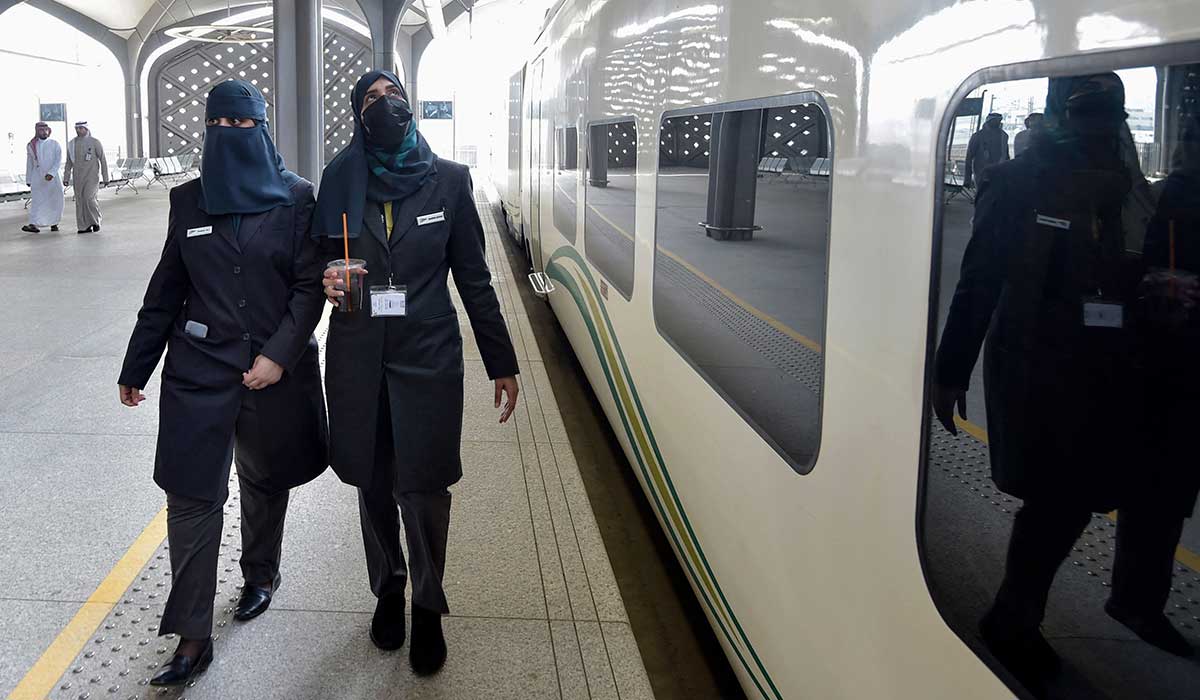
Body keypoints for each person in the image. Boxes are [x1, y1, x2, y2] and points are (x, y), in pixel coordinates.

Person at [930, 72, 1192, 695]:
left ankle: (1029, 614)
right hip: (1038, 368)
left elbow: (1124, 269)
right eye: (1090, 112)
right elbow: (980, 280)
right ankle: (1010, 621)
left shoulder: (1130, 190)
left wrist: (1156, 286)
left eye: (1112, 114)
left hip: (1109, 365)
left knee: (1078, 495)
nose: (1106, 126)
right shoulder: (1019, 183)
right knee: (1057, 496)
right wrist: (949, 370)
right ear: (1060, 116)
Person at [117, 80, 328, 687]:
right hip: (198, 371)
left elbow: (309, 286)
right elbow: (166, 289)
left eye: (244, 126)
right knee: (190, 497)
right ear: (207, 131)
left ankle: (261, 574)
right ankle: (192, 635)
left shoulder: (296, 198)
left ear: (262, 129)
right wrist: (137, 366)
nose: (232, 137)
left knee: (264, 479)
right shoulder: (189, 201)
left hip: (270, 373)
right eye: (220, 126)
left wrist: (279, 358)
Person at [313, 69, 520, 676]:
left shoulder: (449, 182)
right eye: (371, 99)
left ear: (409, 104)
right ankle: (389, 589)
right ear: (356, 114)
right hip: (356, 354)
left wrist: (500, 360)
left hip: (427, 355)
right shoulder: (338, 178)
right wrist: (328, 277)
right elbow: (314, 261)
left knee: (424, 486)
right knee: (371, 478)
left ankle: (428, 604)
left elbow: (475, 278)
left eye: (393, 95)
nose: (385, 105)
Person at [63, 121, 109, 234]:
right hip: (78, 177)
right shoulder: (71, 144)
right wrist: (66, 177)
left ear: (86, 128)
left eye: (81, 128)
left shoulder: (95, 142)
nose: (78, 130)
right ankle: (83, 226)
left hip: (92, 176)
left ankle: (95, 221)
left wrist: (106, 177)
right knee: (80, 201)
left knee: (89, 199)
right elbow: (68, 162)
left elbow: (103, 160)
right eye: (76, 128)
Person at [21, 122, 62, 233]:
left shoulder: (54, 144)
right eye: (41, 130)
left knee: (54, 201)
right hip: (37, 178)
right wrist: (29, 179)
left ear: (49, 131)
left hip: (53, 179)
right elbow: (30, 162)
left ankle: (54, 223)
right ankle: (33, 224)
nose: (44, 132)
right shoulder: (31, 145)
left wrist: (52, 173)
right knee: (37, 201)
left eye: (45, 130)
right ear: (37, 131)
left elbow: (58, 161)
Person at [963, 112, 1010, 188]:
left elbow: (1006, 156)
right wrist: (967, 179)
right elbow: (969, 157)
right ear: (989, 121)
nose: (997, 123)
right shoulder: (978, 136)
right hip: (981, 173)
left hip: (999, 172)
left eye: (998, 121)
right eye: (995, 120)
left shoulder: (1004, 136)